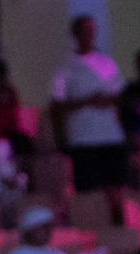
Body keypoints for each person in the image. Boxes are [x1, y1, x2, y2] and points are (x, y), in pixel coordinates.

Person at [50, 15, 127, 221]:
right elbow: (57, 105)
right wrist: (85, 101)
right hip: (83, 140)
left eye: (92, 30)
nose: (90, 34)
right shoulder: (66, 68)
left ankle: (119, 226)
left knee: (116, 188)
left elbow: (119, 96)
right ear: (76, 34)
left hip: (111, 137)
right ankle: (92, 227)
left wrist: (107, 100)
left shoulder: (107, 63)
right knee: (88, 191)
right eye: (85, 30)